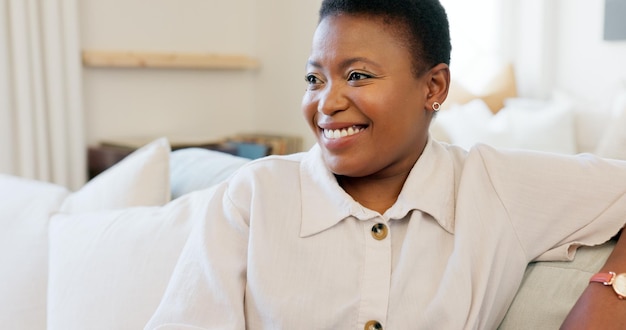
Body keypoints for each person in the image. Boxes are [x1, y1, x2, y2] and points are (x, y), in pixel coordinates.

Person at [146, 0, 626, 328]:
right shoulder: (254, 197)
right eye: (314, 78)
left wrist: (608, 294)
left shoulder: (494, 186)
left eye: (357, 75)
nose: (326, 102)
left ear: (433, 88)